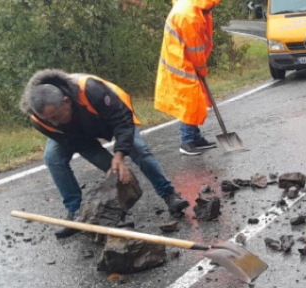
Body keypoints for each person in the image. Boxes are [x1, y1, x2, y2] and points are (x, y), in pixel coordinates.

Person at [20, 69, 190, 238]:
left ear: (66, 101)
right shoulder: (39, 120)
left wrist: (120, 155)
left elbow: (122, 121)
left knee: (138, 149)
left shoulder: (91, 90)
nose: (53, 123)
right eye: (48, 119)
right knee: (52, 158)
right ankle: (77, 214)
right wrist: (114, 168)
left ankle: (169, 195)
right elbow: (84, 146)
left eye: (55, 116)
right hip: (77, 133)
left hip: (108, 119)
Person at [155, 0, 221, 156]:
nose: (214, 7)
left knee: (194, 99)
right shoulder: (189, 16)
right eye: (213, 5)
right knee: (190, 101)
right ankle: (187, 141)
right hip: (179, 61)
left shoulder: (195, 6)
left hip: (182, 57)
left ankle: (195, 137)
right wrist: (202, 69)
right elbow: (195, 49)